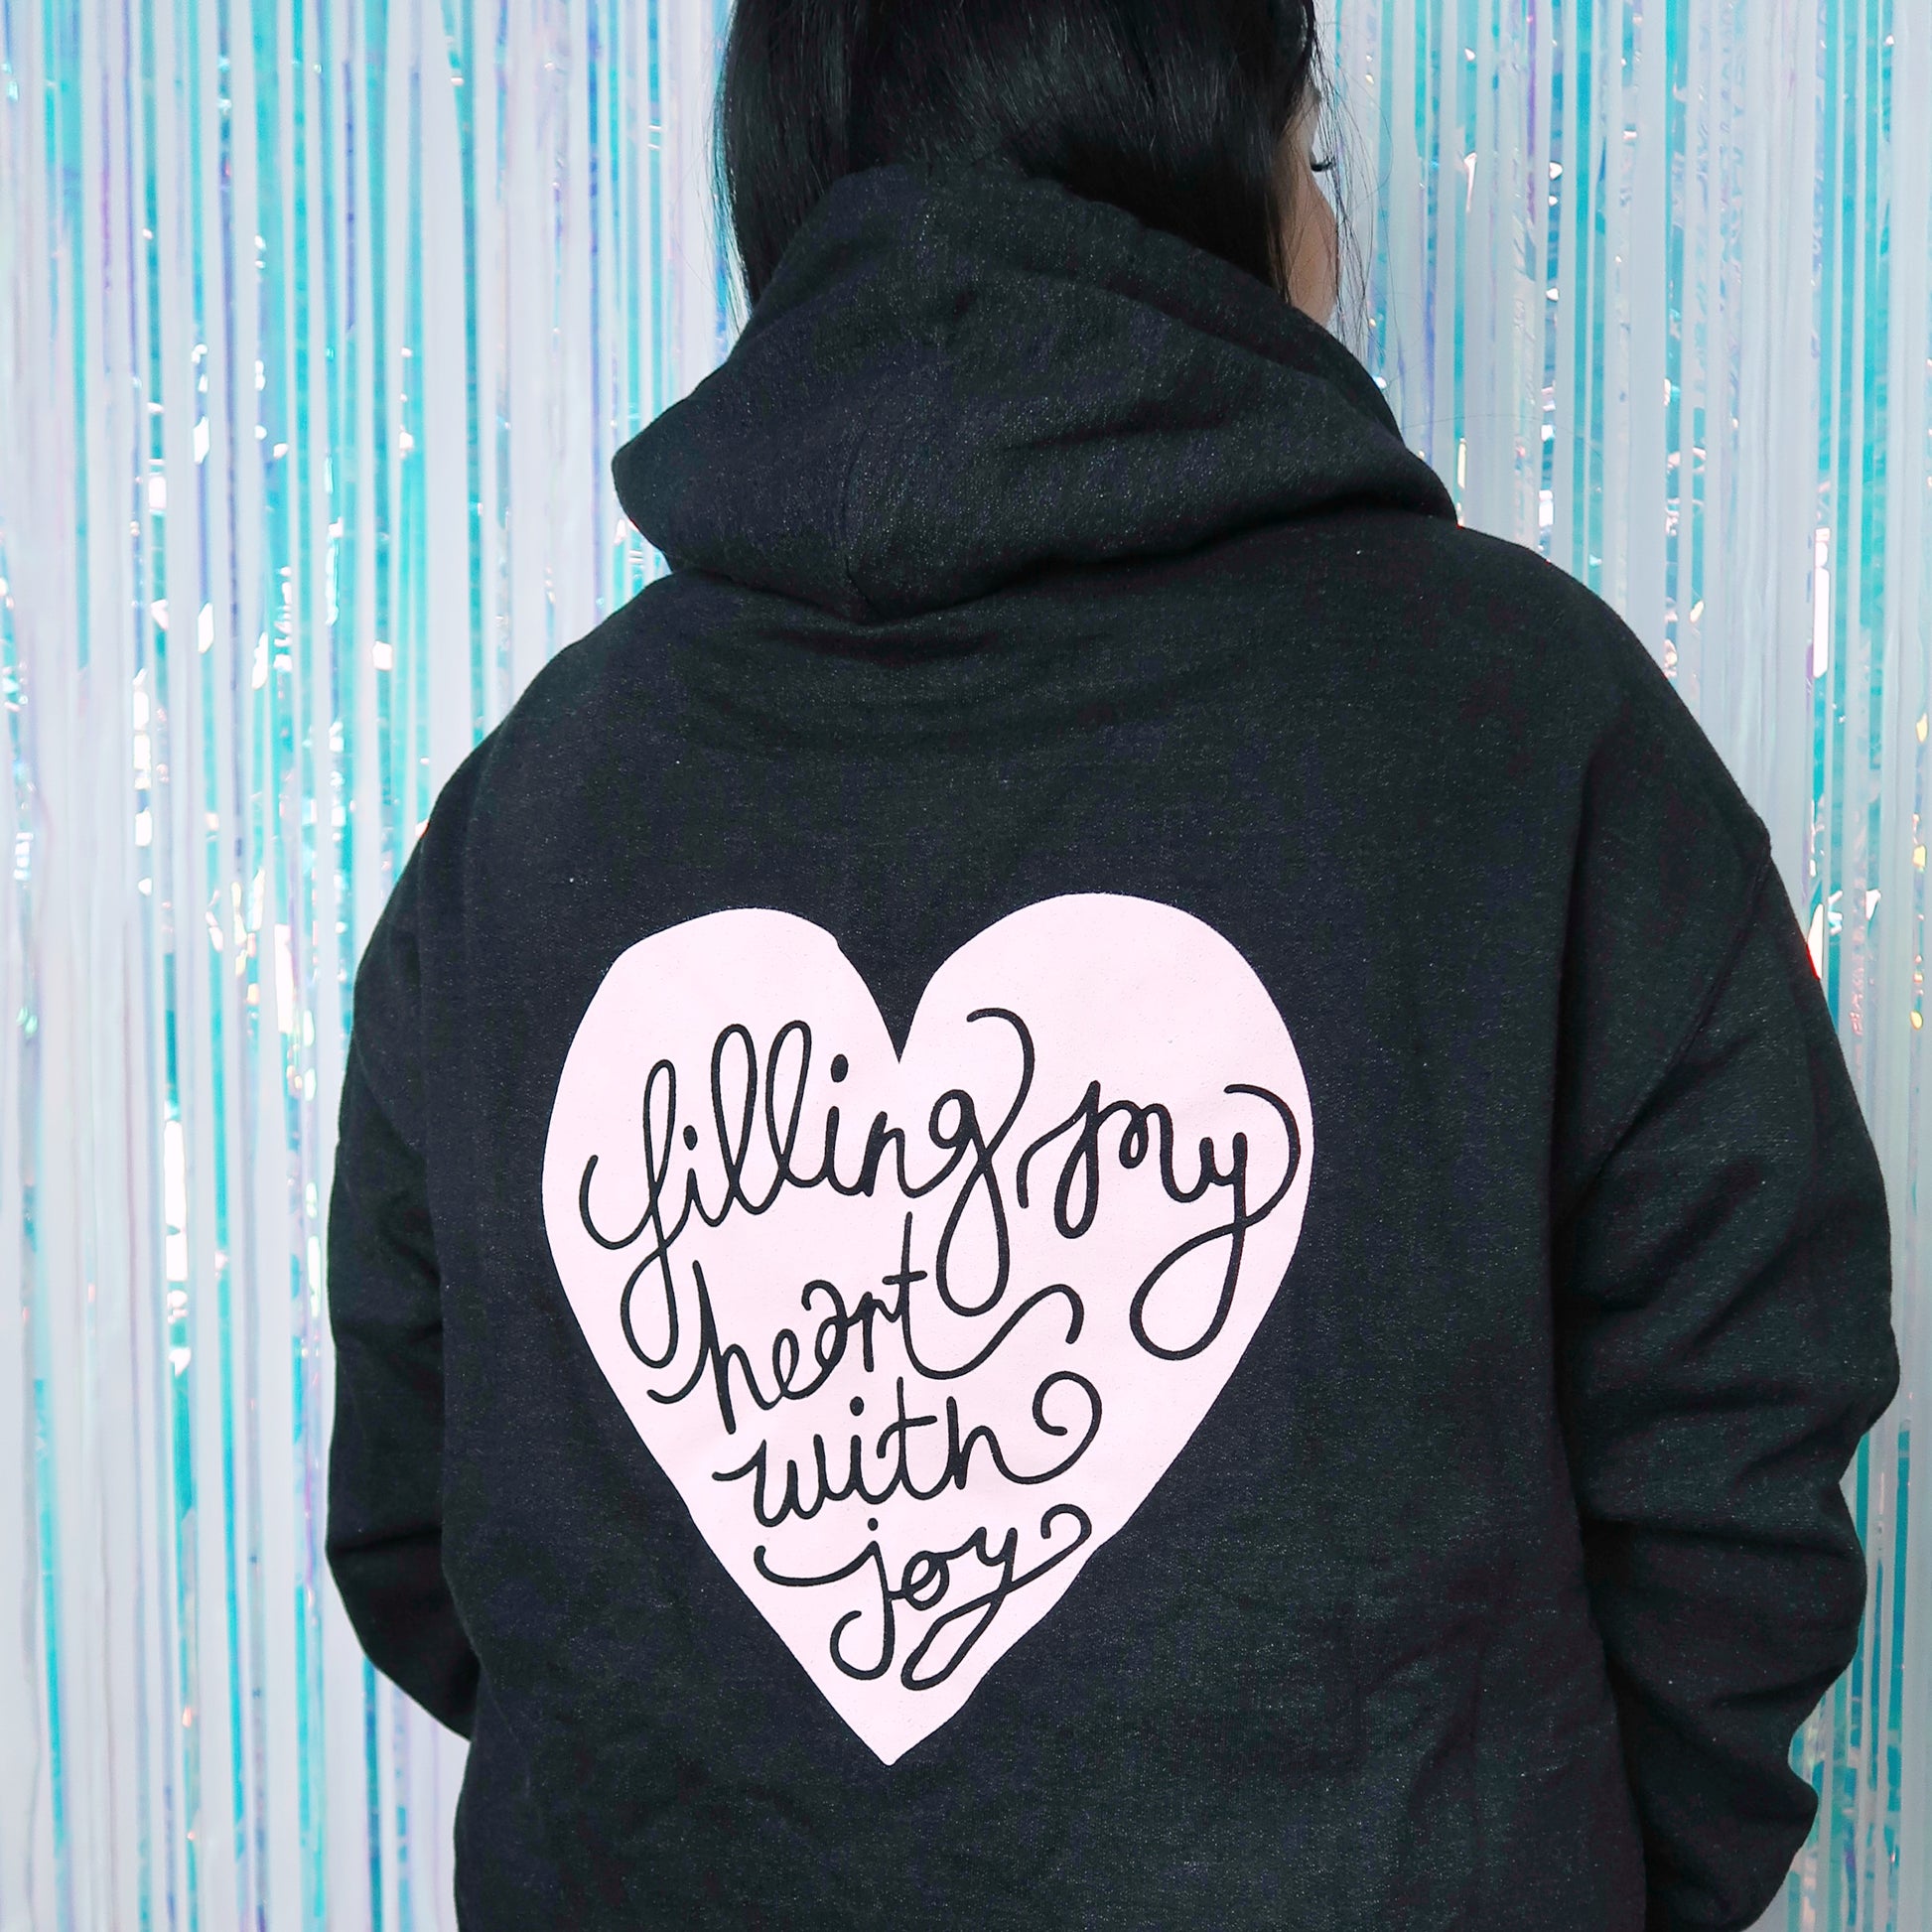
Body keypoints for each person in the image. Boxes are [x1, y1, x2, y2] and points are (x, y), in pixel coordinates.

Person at [324, 3, 1898, 1927]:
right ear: (1212, 165)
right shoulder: (1526, 717)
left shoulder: (533, 793)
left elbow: (419, 1509)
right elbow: (1736, 1444)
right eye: (1315, 160)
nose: (1334, 227)